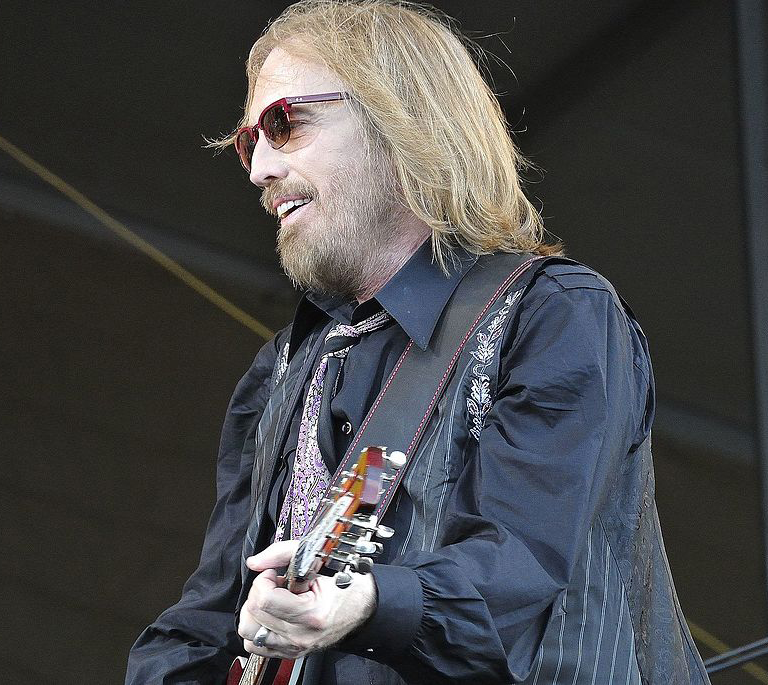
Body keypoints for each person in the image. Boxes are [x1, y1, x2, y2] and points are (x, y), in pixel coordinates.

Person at [127, 1, 709, 683]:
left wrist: (371, 601)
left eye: (284, 124)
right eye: (250, 141)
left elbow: (516, 576)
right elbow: (211, 617)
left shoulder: (552, 317)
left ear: (399, 119)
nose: (258, 169)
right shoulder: (282, 370)